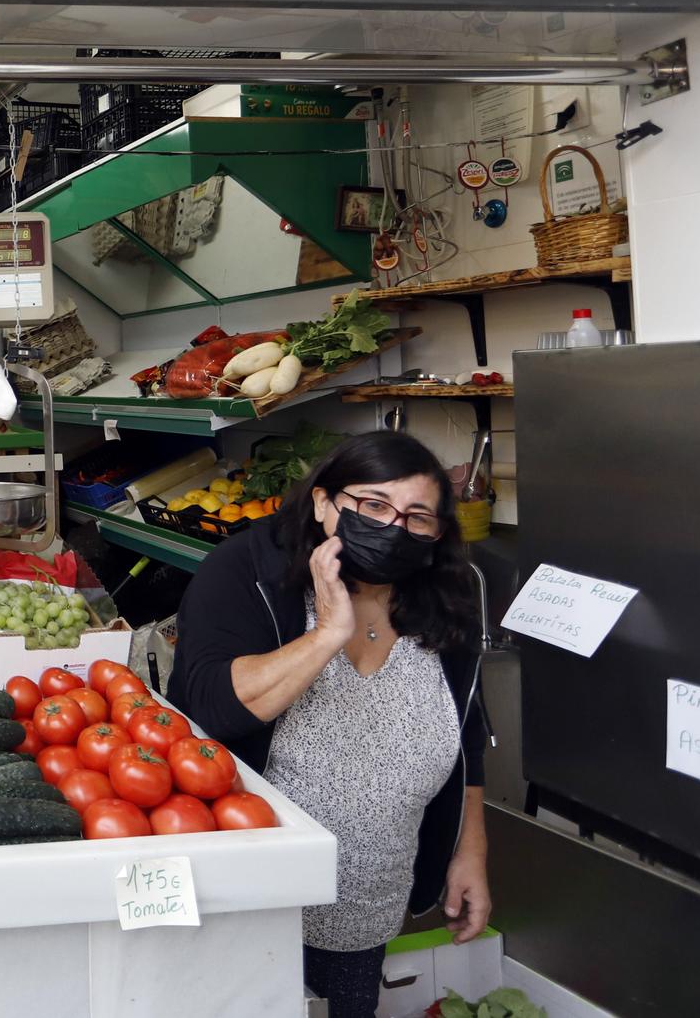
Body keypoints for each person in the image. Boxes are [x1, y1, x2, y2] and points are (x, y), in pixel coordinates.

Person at [171, 431, 490, 1017]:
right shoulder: (244, 570)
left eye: (417, 516)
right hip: (247, 891)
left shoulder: (444, 593)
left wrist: (470, 853)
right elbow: (213, 708)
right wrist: (327, 635)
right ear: (323, 503)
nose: (394, 527)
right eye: (372, 505)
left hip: (368, 899)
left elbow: (466, 728)